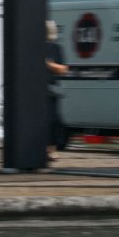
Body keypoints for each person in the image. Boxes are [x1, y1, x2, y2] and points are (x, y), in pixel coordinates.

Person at [45, 19, 69, 160]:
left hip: (50, 88)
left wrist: (49, 64)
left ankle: (51, 149)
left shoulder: (56, 48)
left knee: (53, 120)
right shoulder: (32, 46)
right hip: (35, 88)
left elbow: (63, 69)